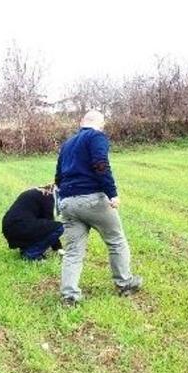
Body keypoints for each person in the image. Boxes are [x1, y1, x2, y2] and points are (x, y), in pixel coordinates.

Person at [55, 110, 142, 306]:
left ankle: (69, 295)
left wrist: (64, 197)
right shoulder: (96, 137)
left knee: (73, 252)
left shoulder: (67, 144)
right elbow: (101, 164)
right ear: (101, 124)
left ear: (82, 122)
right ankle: (125, 283)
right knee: (116, 240)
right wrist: (112, 193)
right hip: (92, 200)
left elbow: (58, 177)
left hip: (67, 203)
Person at [1, 184, 64, 260]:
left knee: (42, 226)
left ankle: (27, 248)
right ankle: (32, 253)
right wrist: (58, 248)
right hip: (19, 227)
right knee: (59, 227)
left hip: (10, 228)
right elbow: (51, 227)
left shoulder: (40, 192)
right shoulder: (47, 196)